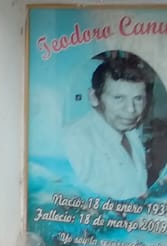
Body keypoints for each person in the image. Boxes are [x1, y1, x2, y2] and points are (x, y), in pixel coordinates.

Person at [63, 50, 166, 200]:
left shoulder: (131, 132)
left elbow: (135, 189)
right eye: (119, 98)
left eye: (138, 98)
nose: (131, 109)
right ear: (94, 97)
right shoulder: (76, 140)